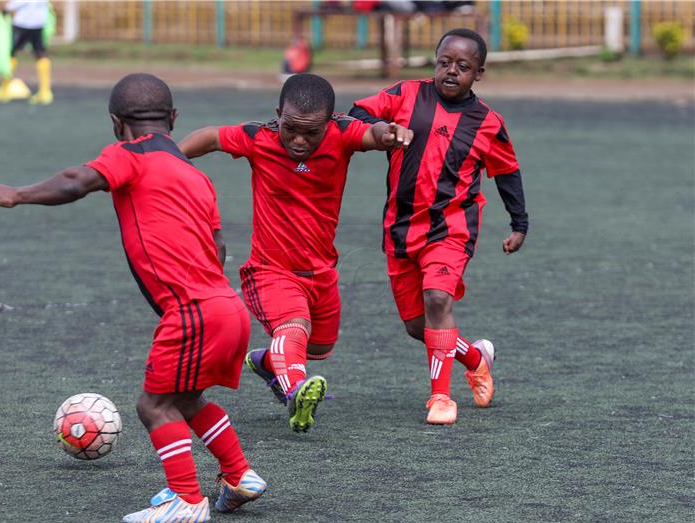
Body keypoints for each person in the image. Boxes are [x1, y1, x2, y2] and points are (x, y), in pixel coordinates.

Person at [0, 74, 266, 523]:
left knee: (154, 406)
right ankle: (239, 475)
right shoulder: (195, 175)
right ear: (174, 119)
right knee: (186, 401)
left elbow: (77, 180)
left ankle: (187, 499)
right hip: (227, 307)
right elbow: (218, 246)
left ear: (115, 123)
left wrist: (17, 194)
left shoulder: (130, 154)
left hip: (193, 312)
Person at [179, 73, 413, 433]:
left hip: (321, 274)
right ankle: (294, 392)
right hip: (269, 270)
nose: (299, 140)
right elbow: (211, 136)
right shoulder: (260, 138)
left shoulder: (342, 135)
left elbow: (373, 134)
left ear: (330, 122)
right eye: (292, 129)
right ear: (278, 115)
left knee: (316, 349)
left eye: (311, 132)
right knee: (294, 327)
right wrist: (170, 160)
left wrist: (389, 134)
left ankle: (269, 362)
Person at [349, 28, 528, 425]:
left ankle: (441, 398)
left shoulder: (487, 122)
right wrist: (383, 133)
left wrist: (520, 223)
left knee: (437, 300)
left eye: (462, 66)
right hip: (400, 229)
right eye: (444, 62)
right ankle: (473, 356)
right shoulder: (405, 95)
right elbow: (356, 114)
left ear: (478, 73)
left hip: (451, 230)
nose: (451, 71)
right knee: (419, 327)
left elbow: (507, 173)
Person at [1, 0, 53, 104]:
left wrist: (5, 9)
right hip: (39, 24)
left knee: (11, 53)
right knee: (41, 54)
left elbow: (11, 6)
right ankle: (45, 92)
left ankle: (4, 90)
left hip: (22, 24)